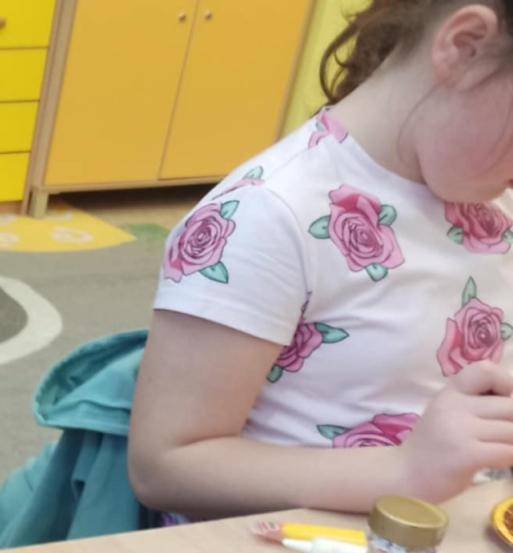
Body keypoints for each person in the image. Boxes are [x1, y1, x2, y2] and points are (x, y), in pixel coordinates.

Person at [130, 0, 513, 521]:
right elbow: (164, 465)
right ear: (466, 45)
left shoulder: (489, 198)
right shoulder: (268, 213)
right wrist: (404, 471)